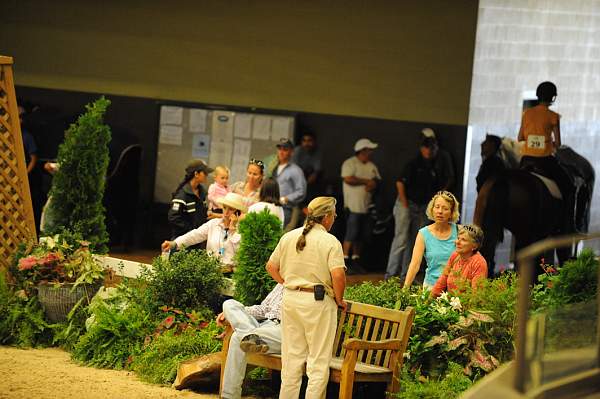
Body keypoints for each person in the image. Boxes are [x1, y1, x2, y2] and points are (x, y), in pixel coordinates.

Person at [266, 197, 346, 398]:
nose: (334, 219)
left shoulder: (289, 236)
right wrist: (339, 299)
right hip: (318, 302)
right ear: (326, 217)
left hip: (291, 299)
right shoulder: (330, 241)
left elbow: (271, 267)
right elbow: (338, 274)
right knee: (318, 363)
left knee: (292, 360)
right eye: (334, 215)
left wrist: (288, 284)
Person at [388, 129, 455, 281]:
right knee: (401, 239)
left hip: (423, 206)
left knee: (415, 241)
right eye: (426, 146)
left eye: (431, 146)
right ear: (421, 147)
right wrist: (405, 205)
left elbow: (447, 180)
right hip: (407, 204)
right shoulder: (414, 162)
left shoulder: (437, 163)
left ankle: (406, 276)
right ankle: (390, 275)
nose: (429, 150)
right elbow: (400, 183)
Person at [517, 81, 574, 231]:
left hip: (526, 159)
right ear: (553, 98)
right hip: (545, 160)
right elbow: (559, 142)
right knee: (569, 186)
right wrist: (551, 143)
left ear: (538, 95)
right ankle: (567, 223)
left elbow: (520, 138)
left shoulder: (527, 113)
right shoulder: (553, 117)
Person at [217, 283, 283, 399]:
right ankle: (251, 336)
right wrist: (233, 313)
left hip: (281, 330)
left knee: (238, 338)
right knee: (229, 304)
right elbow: (263, 309)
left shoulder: (303, 287)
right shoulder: (280, 284)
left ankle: (229, 396)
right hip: (262, 325)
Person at [162, 192, 247, 271]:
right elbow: (194, 235)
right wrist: (175, 243)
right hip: (211, 271)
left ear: (237, 212)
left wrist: (233, 230)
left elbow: (241, 253)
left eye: (231, 209)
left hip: (232, 274)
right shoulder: (213, 224)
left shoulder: (242, 230)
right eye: (224, 207)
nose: (226, 212)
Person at [403, 191, 459, 289]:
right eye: (437, 207)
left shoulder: (460, 231)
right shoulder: (423, 234)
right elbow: (415, 264)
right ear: (432, 209)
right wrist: (405, 288)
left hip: (455, 288)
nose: (440, 211)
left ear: (451, 213)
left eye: (445, 208)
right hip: (431, 287)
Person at [341, 138, 381, 269]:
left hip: (367, 207)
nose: (371, 152)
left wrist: (373, 184)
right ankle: (345, 261)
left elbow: (377, 181)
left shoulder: (371, 166)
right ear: (362, 150)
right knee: (351, 233)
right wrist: (366, 181)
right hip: (352, 207)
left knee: (362, 236)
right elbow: (348, 178)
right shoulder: (350, 163)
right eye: (369, 150)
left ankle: (356, 260)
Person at [431, 224, 487, 297]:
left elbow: (476, 296)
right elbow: (441, 282)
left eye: (463, 240)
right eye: (458, 238)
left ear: (475, 246)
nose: (457, 242)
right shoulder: (455, 256)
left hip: (467, 306)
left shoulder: (479, 263)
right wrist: (428, 302)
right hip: (450, 305)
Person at [168, 159, 212, 240]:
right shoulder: (182, 195)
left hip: (197, 240)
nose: (207, 175)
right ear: (196, 174)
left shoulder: (202, 193)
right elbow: (173, 218)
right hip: (182, 242)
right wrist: (190, 230)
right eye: (205, 173)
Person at [272, 138, 307, 230]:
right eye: (280, 149)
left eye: (285, 149)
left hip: (287, 209)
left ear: (291, 152)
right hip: (273, 206)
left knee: (282, 235)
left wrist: (286, 198)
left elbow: (301, 191)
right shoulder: (274, 167)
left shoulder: (296, 170)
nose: (281, 152)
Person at [292, 131, 323, 204]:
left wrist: (313, 176)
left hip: (310, 181)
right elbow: (295, 170)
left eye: (309, 141)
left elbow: (317, 170)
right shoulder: (297, 151)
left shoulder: (317, 151)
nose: (306, 143)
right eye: (304, 141)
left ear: (314, 142)